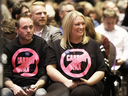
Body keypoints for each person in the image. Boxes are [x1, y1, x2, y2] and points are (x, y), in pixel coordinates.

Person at [46, 11, 107, 96]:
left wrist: (89, 82)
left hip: (89, 83)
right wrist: (66, 81)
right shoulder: (55, 45)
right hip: (61, 82)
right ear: (68, 26)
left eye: (83, 23)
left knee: (78, 93)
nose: (81, 27)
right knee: (61, 93)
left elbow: (101, 70)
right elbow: (50, 69)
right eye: (77, 24)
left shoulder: (93, 44)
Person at [2, 13, 48, 96]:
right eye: (24, 28)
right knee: (4, 93)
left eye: (31, 27)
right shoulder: (9, 47)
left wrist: (36, 86)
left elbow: (44, 74)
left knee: (41, 94)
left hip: (35, 85)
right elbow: (5, 76)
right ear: (17, 30)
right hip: (14, 86)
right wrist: (14, 87)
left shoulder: (41, 44)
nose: (29, 30)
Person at [95, 8, 128, 74]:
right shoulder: (96, 31)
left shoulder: (122, 32)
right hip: (101, 61)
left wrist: (122, 59)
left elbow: (126, 49)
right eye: (108, 22)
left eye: (113, 22)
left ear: (116, 20)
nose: (110, 25)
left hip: (119, 61)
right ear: (103, 20)